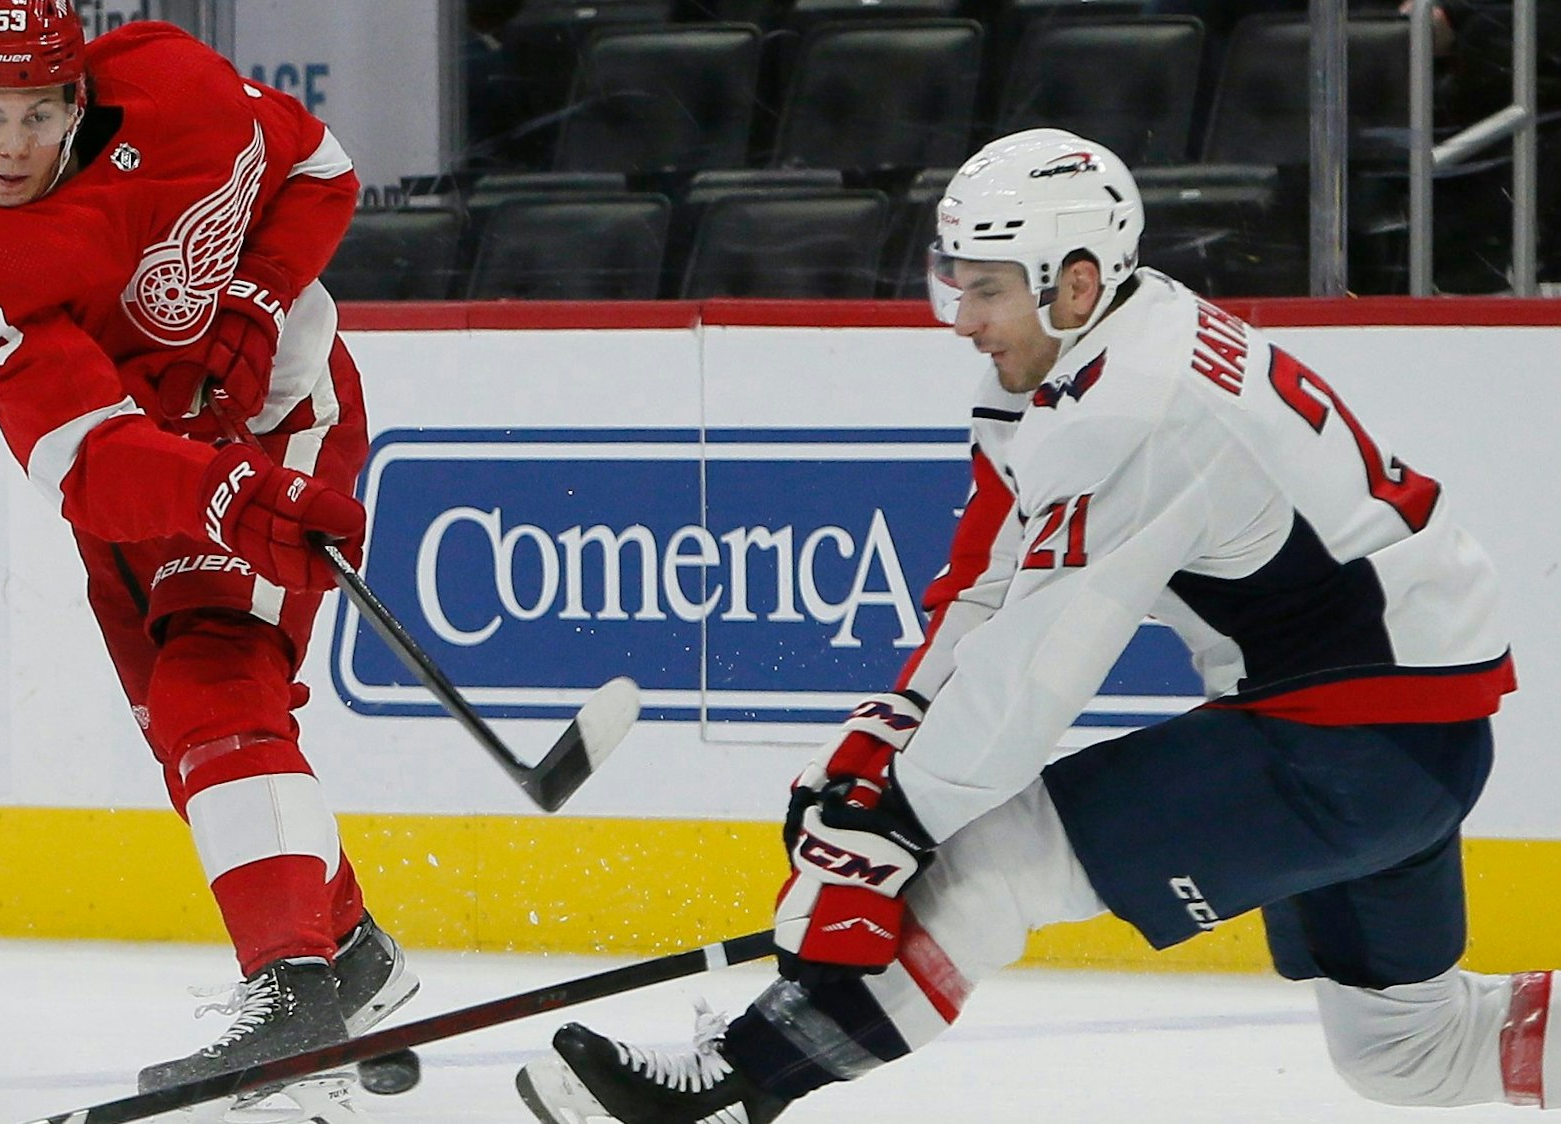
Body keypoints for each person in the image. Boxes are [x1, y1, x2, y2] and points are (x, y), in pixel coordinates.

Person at [515, 128, 1549, 1124]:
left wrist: (895, 822)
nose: (963, 316)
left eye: (988, 287)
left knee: (983, 865)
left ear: (1079, 281)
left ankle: (730, 1083)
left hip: (1353, 745)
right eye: (956, 280)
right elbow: (995, 576)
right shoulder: (1085, 361)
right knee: (1406, 1049)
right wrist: (895, 729)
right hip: (1398, 734)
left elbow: (1040, 669)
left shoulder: (1135, 409)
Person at [0, 3, 415, 1118]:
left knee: (215, 674)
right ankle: (350, 949)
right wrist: (219, 495)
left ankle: (292, 994)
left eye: (36, 113)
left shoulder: (176, 83)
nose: (10, 145)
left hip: (279, 412)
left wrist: (255, 295)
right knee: (187, 737)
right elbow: (93, 462)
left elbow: (321, 173)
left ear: (76, 99)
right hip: (139, 481)